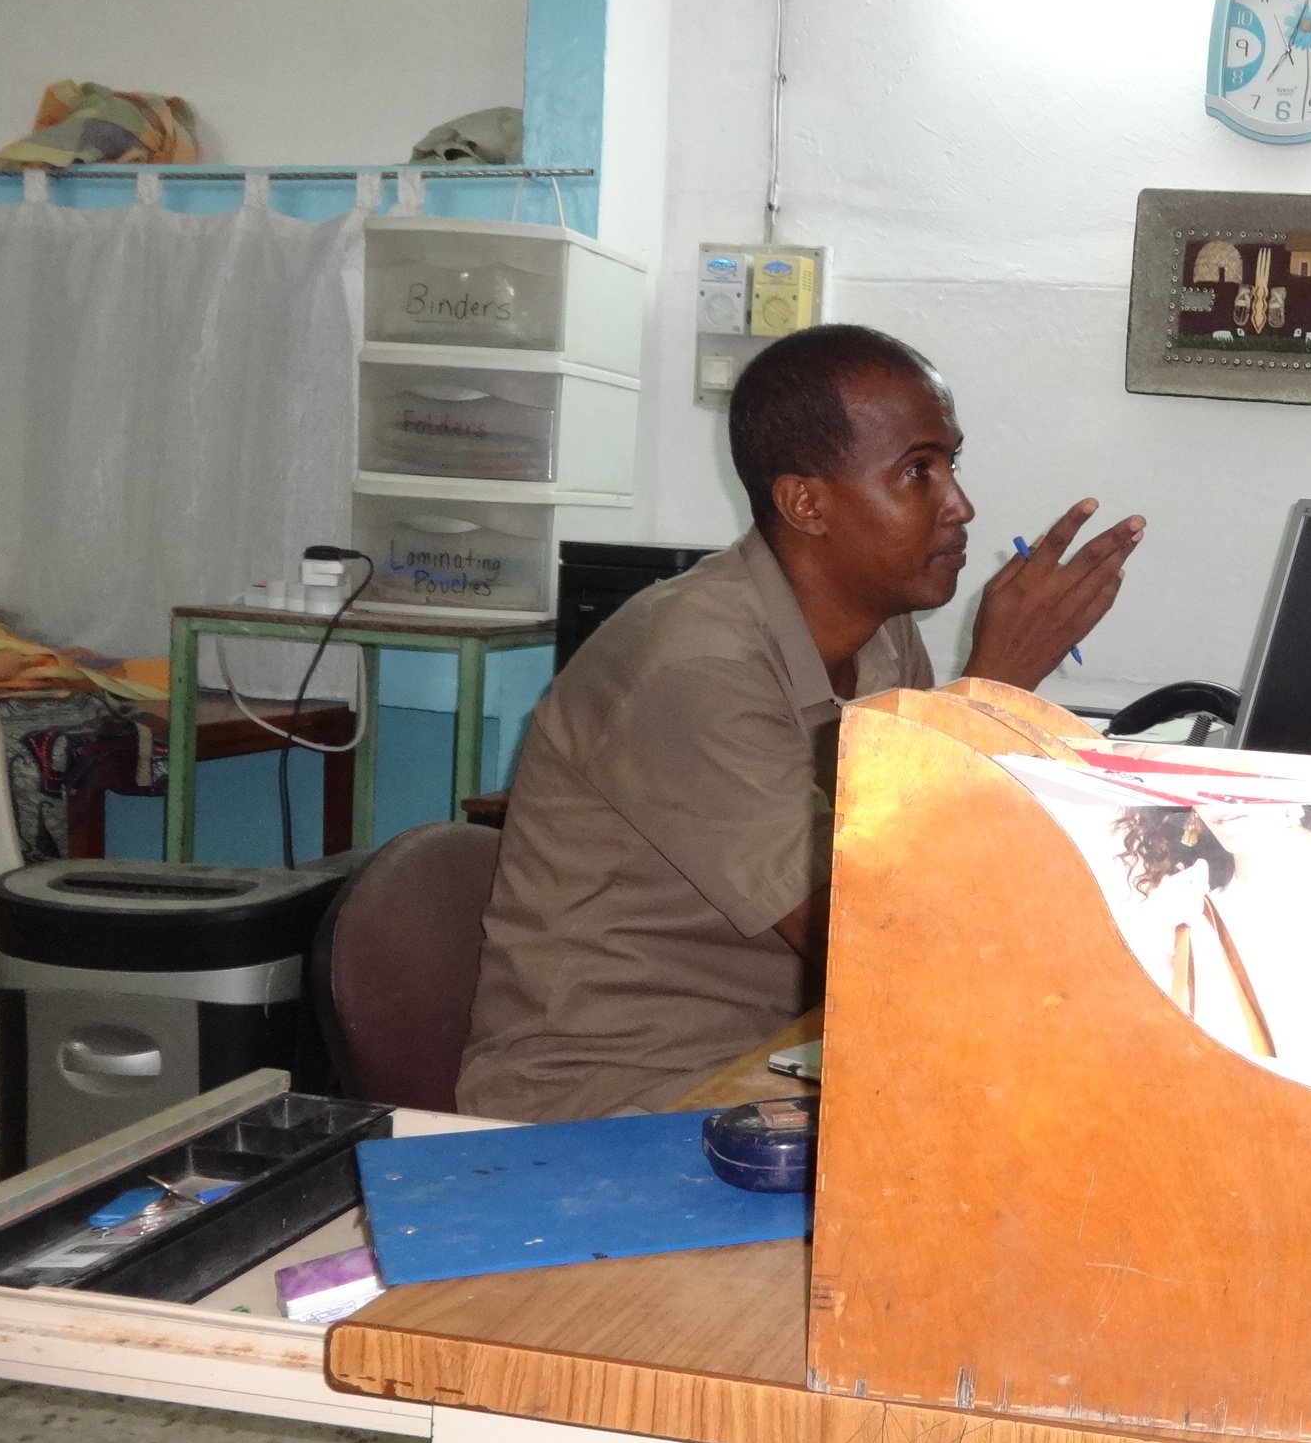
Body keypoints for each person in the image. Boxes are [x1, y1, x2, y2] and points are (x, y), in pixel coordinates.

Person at [457, 324, 1144, 1122]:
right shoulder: (694, 668)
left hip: (792, 1058)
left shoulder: (884, 637)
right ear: (806, 503)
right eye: (918, 471)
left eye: (952, 464)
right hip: (620, 1098)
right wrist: (992, 690)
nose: (960, 504)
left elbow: (945, 862)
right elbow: (878, 945)